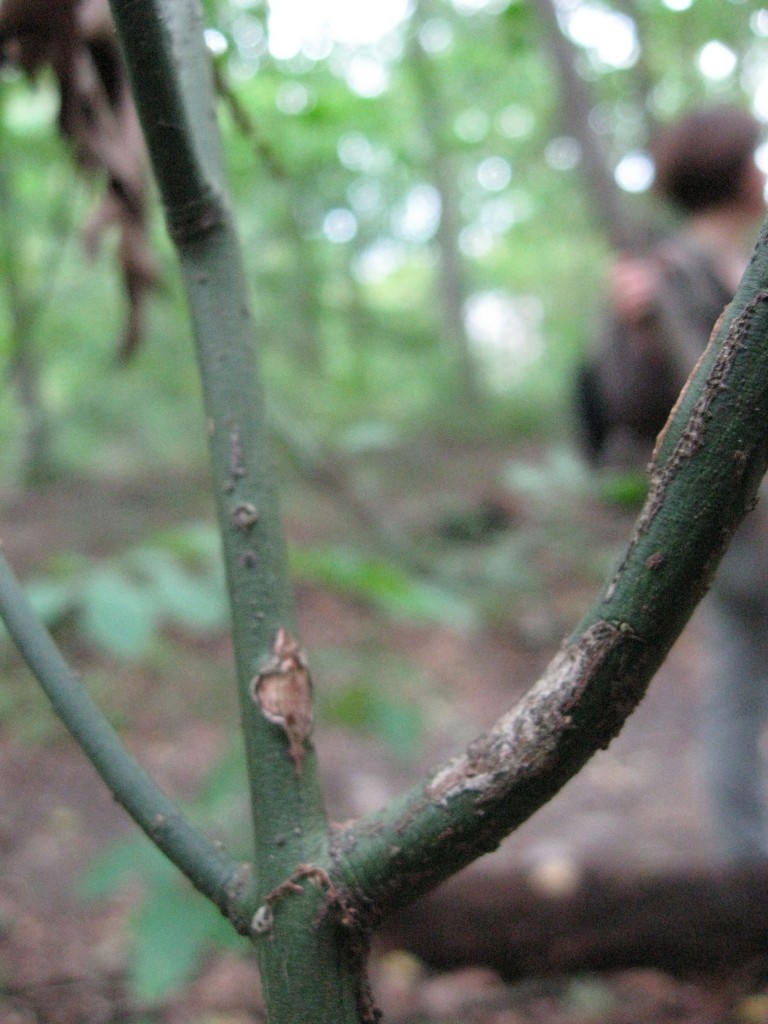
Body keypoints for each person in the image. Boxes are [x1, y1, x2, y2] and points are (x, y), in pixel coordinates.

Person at [578, 104, 768, 862]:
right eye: (754, 158)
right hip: (740, 526)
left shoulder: (742, 265)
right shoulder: (662, 277)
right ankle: (747, 870)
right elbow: (628, 410)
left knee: (735, 688)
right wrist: (639, 330)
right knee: (736, 691)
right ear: (731, 172)